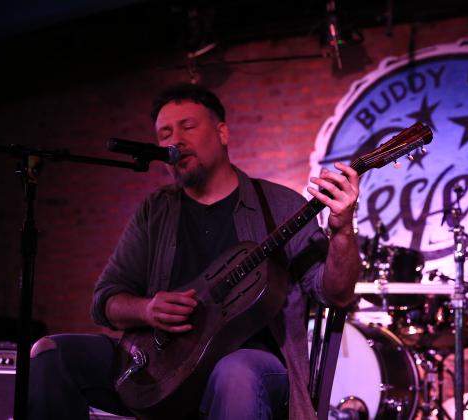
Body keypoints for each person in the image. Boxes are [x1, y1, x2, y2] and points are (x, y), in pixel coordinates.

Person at [28, 83, 361, 420]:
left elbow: (335, 293)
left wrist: (343, 230)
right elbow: (105, 302)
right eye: (165, 133)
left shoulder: (280, 204)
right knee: (49, 353)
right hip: (162, 365)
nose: (176, 140)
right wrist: (147, 310)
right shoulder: (155, 210)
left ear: (222, 133)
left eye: (188, 127)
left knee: (235, 375)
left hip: (251, 365)